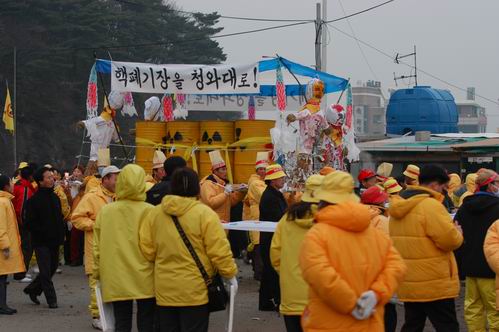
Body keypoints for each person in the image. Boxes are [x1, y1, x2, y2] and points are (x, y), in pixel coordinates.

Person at [299, 171, 406, 332]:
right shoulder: (375, 233)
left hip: (328, 324)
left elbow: (320, 275)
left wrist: (352, 304)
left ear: (322, 200)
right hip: (370, 323)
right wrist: (376, 295)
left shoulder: (316, 234)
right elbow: (397, 266)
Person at [139, 167, 238, 332]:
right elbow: (219, 251)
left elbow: (147, 250)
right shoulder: (204, 214)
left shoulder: (154, 214)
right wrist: (230, 274)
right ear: (196, 187)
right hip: (195, 290)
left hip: (164, 290)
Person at [389, 165, 463, 332]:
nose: (444, 191)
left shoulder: (398, 204)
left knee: (412, 325)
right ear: (435, 184)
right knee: (447, 326)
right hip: (434, 282)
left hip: (409, 280)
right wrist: (458, 233)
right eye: (444, 186)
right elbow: (449, 241)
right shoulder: (431, 206)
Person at [93, 165, 155, 332]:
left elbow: (97, 247)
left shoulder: (106, 212)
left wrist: (97, 274)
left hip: (116, 275)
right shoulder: (151, 211)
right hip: (146, 274)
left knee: (121, 320)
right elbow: (155, 246)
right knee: (147, 321)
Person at [270, 174, 323, 332]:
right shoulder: (330, 220)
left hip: (291, 296)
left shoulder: (287, 218)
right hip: (322, 297)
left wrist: (288, 273)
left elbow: (275, 255)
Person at [71, 165, 121, 330]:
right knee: (96, 282)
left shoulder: (119, 196)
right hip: (95, 245)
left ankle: (109, 313)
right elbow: (76, 218)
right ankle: (96, 315)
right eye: (115, 178)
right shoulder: (92, 196)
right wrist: (95, 225)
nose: (118, 181)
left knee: (112, 282)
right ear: (105, 179)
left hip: (114, 247)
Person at [454, 169, 499, 331]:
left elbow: (457, 235)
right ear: (490, 186)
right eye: (497, 183)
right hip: (493, 268)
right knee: (496, 310)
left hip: (470, 268)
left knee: (473, 308)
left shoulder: (464, 208)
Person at [23, 167, 65, 309]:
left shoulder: (55, 198)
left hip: (55, 241)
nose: (52, 179)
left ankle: (33, 289)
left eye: (52, 176)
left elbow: (59, 218)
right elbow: (29, 223)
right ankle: (51, 300)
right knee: (45, 271)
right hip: (41, 242)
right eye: (48, 177)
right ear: (40, 181)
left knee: (52, 268)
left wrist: (61, 234)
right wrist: (43, 231)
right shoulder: (33, 201)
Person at [361, 186, 398, 332]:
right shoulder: (382, 220)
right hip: (379, 274)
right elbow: (387, 248)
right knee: (387, 313)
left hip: (362, 273)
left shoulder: (358, 216)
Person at [259, 164, 288, 311]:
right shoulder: (271, 196)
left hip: (270, 238)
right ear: (272, 180)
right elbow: (279, 218)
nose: (283, 179)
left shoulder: (274, 193)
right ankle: (276, 300)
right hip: (271, 238)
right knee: (272, 271)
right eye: (280, 177)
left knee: (269, 271)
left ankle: (266, 302)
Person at [0, 175, 25, 315]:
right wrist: (4, 246)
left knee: (2, 278)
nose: (13, 185)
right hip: (2, 247)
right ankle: (2, 305)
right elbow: (1, 227)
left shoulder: (5, 201)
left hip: (4, 245)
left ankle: (2, 304)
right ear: (5, 186)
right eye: (10, 183)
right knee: (1, 278)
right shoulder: (2, 202)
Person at [242, 152, 269, 280]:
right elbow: (264, 196)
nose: (263, 171)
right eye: (261, 169)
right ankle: (259, 274)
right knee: (258, 245)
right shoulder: (255, 183)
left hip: (258, 216)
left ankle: (259, 271)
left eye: (265, 168)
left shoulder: (262, 182)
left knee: (259, 244)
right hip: (257, 217)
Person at [200, 150, 245, 223]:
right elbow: (211, 203)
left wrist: (242, 192)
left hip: (224, 221)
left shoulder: (223, 184)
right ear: (215, 171)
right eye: (223, 170)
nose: (225, 172)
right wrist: (225, 193)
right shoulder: (208, 184)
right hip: (212, 222)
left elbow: (230, 202)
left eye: (226, 169)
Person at [12, 164, 36, 283]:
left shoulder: (18, 185)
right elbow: (22, 209)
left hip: (17, 222)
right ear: (30, 176)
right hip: (23, 224)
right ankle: (20, 273)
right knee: (26, 248)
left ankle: (20, 272)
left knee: (23, 247)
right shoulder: (25, 188)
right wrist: (25, 224)